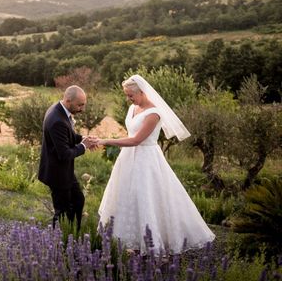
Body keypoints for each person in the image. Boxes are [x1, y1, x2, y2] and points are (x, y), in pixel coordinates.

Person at [96, 74, 215, 253]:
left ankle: (154, 244)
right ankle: (130, 240)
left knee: (147, 197)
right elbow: (130, 135)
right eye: (126, 95)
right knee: (127, 196)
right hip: (128, 159)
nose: (128, 99)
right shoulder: (132, 109)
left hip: (147, 159)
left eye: (131, 95)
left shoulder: (154, 114)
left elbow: (136, 140)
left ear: (142, 92)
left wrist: (105, 141)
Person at [38, 85, 96, 230]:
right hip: (57, 173)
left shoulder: (60, 110)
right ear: (68, 101)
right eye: (80, 105)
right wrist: (84, 146)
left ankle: (73, 234)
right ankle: (59, 242)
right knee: (62, 211)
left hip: (64, 171)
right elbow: (65, 154)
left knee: (78, 200)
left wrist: (83, 139)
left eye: (84, 104)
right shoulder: (57, 119)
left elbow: (67, 136)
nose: (82, 109)